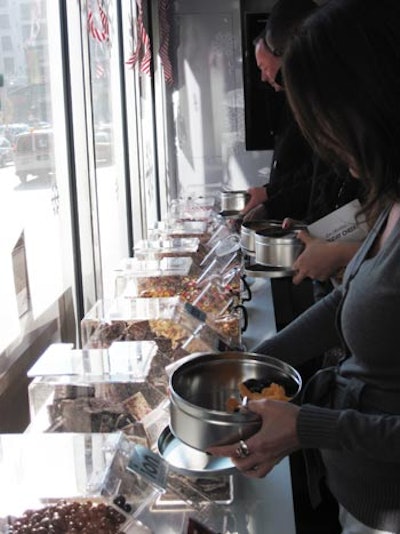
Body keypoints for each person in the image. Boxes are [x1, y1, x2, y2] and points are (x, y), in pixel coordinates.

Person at [208, 1, 400, 533]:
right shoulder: (390, 200)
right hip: (360, 497)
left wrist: (308, 426)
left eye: (330, 126)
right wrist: (258, 361)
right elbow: (349, 296)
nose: (332, 150)